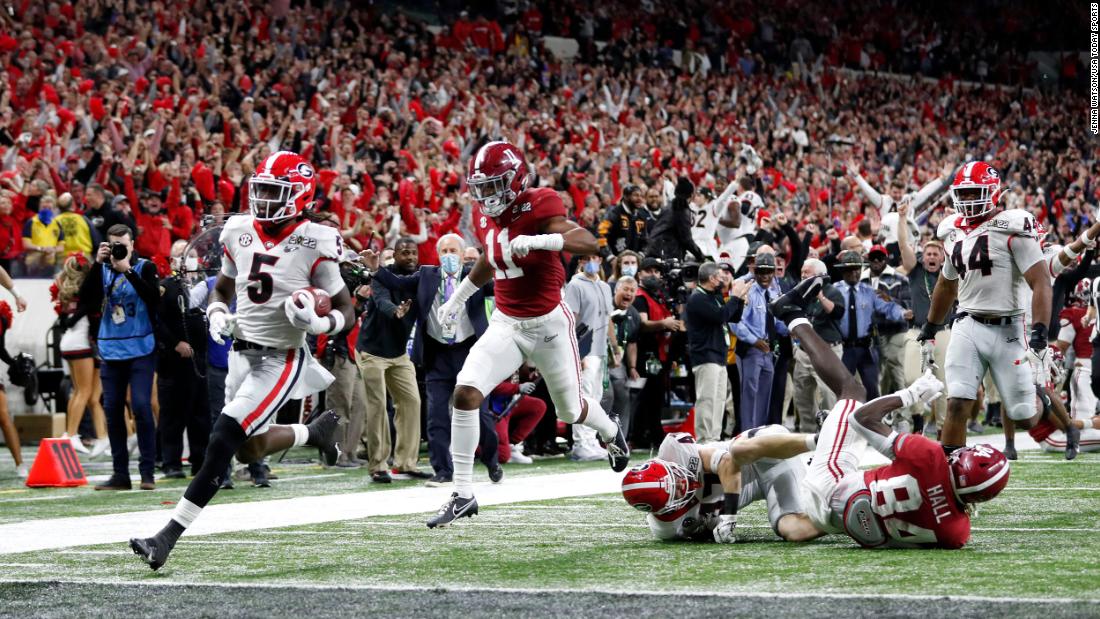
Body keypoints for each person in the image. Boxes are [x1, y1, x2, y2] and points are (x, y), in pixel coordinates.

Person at [129, 151, 349, 571]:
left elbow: (346, 308)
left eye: (274, 191)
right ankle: (313, 433)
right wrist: (215, 311)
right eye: (261, 189)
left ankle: (166, 537)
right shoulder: (237, 229)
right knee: (250, 449)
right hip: (240, 353)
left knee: (222, 438)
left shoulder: (316, 238)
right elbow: (224, 287)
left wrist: (322, 324)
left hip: (281, 359)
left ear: (300, 196)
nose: (264, 198)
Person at [413, 141, 628, 528]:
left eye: (495, 186)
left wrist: (546, 241)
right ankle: (462, 493)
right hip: (507, 323)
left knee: (571, 409)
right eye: (482, 187)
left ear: (516, 181)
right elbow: (487, 259)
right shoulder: (483, 217)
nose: (487, 196)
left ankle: (611, 431)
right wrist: (457, 299)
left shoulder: (540, 203)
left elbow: (589, 242)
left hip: (548, 323)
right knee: (466, 390)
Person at [755, 277, 1010, 549]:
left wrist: (910, 394)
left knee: (852, 393)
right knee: (811, 517)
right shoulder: (956, 533)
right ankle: (818, 449)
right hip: (848, 520)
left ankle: (791, 314)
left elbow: (863, 418)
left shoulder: (931, 458)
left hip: (833, 486)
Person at [920, 162, 1078, 455]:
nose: (967, 201)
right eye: (963, 194)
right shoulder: (952, 230)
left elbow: (1041, 281)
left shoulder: (1013, 226)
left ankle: (1046, 407)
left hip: (1008, 327)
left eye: (973, 193)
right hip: (967, 323)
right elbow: (946, 283)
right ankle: (950, 474)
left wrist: (1041, 334)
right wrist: (930, 326)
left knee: (1022, 414)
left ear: (992, 192)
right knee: (958, 400)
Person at [368, 233, 498, 486]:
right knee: (436, 415)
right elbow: (396, 282)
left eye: (453, 251)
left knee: (480, 413)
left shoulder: (476, 275)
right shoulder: (427, 275)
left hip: (469, 351)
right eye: (444, 251)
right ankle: (443, 470)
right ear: (438, 255)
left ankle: (491, 460)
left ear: (463, 255)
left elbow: (502, 285)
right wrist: (375, 268)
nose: (449, 256)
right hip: (437, 352)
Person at [621, 425, 817, 542]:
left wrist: (729, 514)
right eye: (677, 492)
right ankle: (841, 517)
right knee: (792, 530)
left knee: (737, 450)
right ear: (663, 509)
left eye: (675, 477)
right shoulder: (668, 528)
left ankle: (819, 439)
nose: (684, 484)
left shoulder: (675, 450)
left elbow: (728, 463)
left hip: (762, 450)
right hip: (775, 481)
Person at [77, 224, 160, 491]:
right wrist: (96, 264)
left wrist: (129, 271)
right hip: (111, 349)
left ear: (132, 244)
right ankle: (120, 474)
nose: (118, 250)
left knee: (141, 406)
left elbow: (153, 299)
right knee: (112, 411)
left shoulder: (145, 267)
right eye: (113, 245)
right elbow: (86, 301)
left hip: (141, 348)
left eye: (122, 244)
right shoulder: (102, 269)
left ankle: (147, 472)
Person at [356, 237, 428, 484]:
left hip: (398, 354)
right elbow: (380, 298)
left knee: (411, 401)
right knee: (378, 407)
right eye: (404, 252)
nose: (410, 257)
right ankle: (378, 465)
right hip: (372, 351)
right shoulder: (381, 275)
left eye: (413, 253)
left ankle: (406, 463)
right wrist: (394, 311)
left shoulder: (420, 278)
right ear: (394, 255)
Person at [155, 240, 210, 479]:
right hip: (173, 361)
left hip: (200, 359)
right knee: (173, 413)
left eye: (190, 254)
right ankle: (171, 462)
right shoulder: (166, 287)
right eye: (180, 255)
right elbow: (157, 320)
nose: (186, 259)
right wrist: (175, 342)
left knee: (200, 412)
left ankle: (199, 460)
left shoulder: (207, 285)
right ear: (172, 261)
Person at [833, 250, 911, 400]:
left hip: (865, 347)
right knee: (843, 388)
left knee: (872, 387)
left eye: (857, 268)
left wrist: (902, 313)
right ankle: (842, 420)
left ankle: (872, 421)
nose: (854, 273)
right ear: (843, 270)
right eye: (850, 269)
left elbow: (886, 307)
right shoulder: (834, 291)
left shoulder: (868, 291)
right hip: (843, 347)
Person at [52, 253, 109, 457]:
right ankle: (71, 434)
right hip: (80, 342)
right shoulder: (86, 290)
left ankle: (102, 437)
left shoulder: (67, 289)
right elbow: (90, 307)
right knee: (83, 392)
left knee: (85, 393)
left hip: (72, 341)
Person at [685, 263, 748, 443]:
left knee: (719, 400)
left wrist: (741, 299)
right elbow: (721, 316)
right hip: (706, 355)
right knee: (707, 399)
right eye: (720, 276)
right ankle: (704, 439)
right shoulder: (697, 298)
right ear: (712, 278)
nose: (723, 280)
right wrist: (735, 297)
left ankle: (714, 437)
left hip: (719, 355)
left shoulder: (714, 296)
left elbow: (732, 317)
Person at [565, 253, 615, 461]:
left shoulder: (604, 286)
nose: (591, 262)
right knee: (583, 395)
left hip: (600, 349)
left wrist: (615, 349)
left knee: (595, 396)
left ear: (600, 260)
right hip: (584, 348)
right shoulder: (575, 285)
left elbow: (608, 319)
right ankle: (581, 444)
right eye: (586, 258)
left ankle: (592, 440)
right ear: (580, 262)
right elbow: (570, 320)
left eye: (595, 257)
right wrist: (575, 351)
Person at [733, 253, 786, 430]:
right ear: (754, 272)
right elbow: (735, 323)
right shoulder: (747, 291)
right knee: (749, 393)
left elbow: (777, 323)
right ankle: (747, 434)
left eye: (768, 271)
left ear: (773, 272)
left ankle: (760, 433)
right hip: (750, 350)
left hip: (768, 350)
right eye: (761, 271)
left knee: (765, 393)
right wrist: (754, 341)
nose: (764, 276)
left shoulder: (772, 293)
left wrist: (793, 328)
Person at [790, 259, 844, 433]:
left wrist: (820, 295)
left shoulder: (832, 291)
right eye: (802, 272)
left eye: (807, 272)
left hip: (827, 350)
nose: (803, 275)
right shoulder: (799, 295)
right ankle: (808, 433)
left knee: (828, 393)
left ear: (819, 275)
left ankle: (831, 432)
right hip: (804, 350)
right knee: (802, 394)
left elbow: (836, 312)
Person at [608, 276, 642, 440]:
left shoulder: (634, 314)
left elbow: (632, 343)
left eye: (632, 291)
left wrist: (632, 367)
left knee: (623, 394)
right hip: (599, 357)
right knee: (605, 395)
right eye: (625, 289)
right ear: (616, 290)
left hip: (618, 361)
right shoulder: (605, 306)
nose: (629, 293)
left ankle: (620, 438)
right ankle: (598, 438)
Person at [489, 368, 546, 464]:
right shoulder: (493, 360)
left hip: (508, 402)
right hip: (493, 409)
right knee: (503, 456)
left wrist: (533, 375)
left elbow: (519, 379)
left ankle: (512, 445)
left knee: (538, 406)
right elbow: (490, 385)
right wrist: (517, 388)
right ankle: (470, 449)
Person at [644, 177, 707, 263]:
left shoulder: (668, 207)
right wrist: (701, 257)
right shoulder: (681, 210)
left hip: (653, 250)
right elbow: (686, 239)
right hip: (666, 254)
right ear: (692, 195)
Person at [0, 301, 26, 478]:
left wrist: (13, 363)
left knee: (3, 415)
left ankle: (20, 464)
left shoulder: (1, 314)